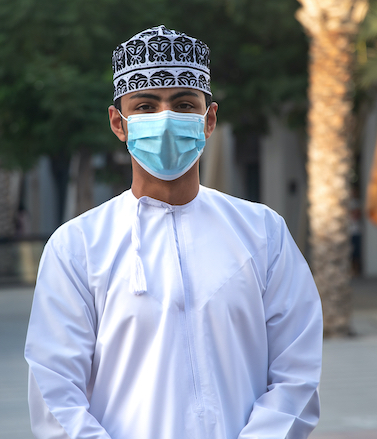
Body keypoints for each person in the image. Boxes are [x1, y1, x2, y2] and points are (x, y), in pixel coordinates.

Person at [24, 25, 323, 439]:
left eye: (183, 104)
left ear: (209, 119)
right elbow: (54, 391)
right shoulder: (78, 246)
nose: (165, 119)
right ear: (119, 122)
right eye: (145, 106)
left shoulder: (262, 233)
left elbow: (297, 372)